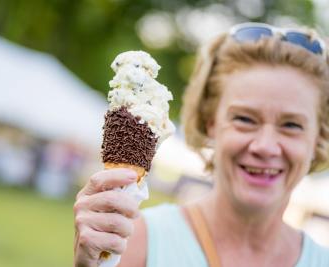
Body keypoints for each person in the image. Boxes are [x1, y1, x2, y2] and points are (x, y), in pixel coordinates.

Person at [73, 22, 329, 267]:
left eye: (292, 125)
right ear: (210, 123)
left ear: (319, 136)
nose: (265, 146)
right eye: (245, 119)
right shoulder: (134, 244)